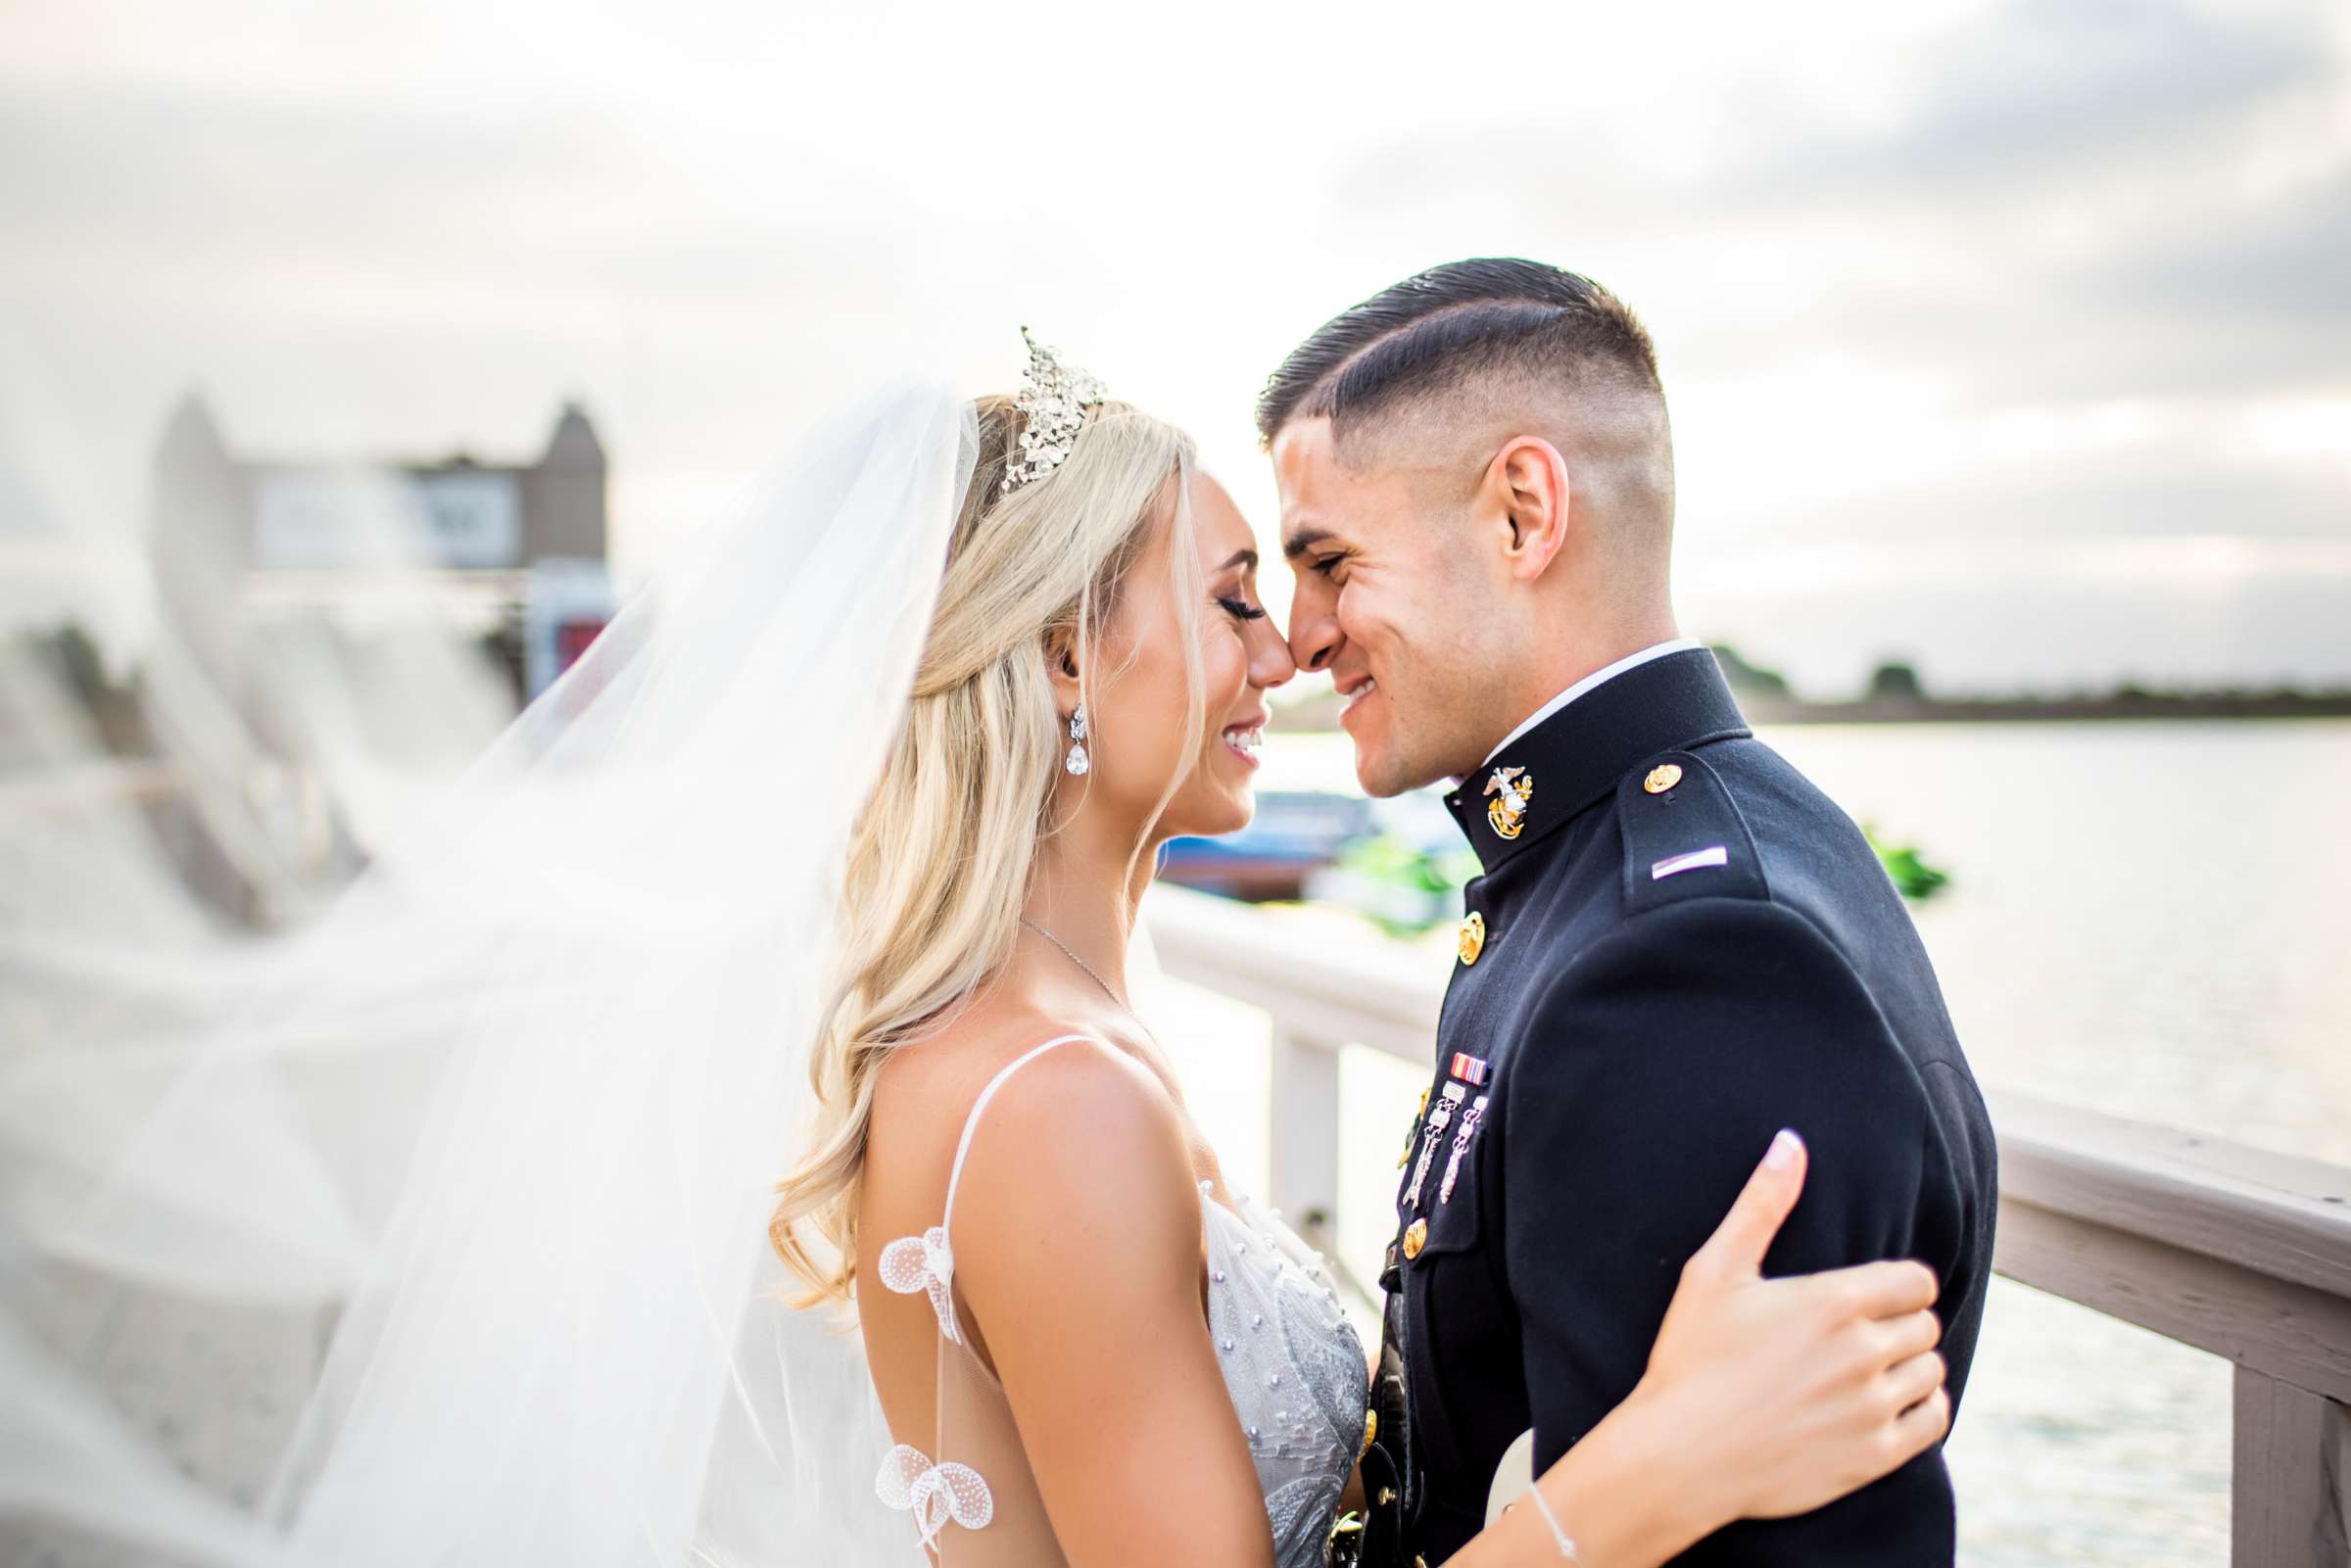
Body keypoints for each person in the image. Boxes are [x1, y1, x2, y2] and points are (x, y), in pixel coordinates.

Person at [765, 332, 1951, 1566]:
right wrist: (1663, 1457)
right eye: (1233, 600)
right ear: (1067, 654)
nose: (1287, 657)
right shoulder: (1052, 1097)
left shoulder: (1039, 1035)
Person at [1256, 260, 2000, 1565]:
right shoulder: (1635, 861)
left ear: (1523, 514)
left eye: (1329, 560)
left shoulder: (1691, 957)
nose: (1301, 634)